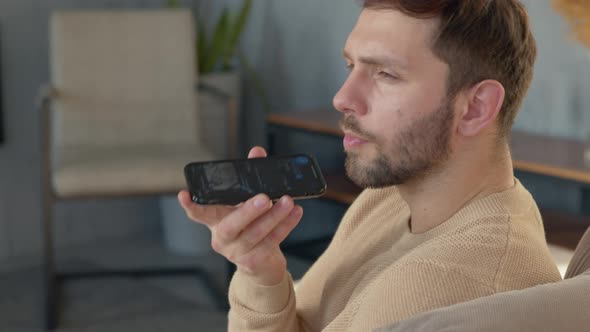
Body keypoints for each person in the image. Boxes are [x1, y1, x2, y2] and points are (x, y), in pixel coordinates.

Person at [178, 1, 562, 331]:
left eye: (385, 74)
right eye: (352, 66)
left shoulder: (448, 285)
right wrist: (261, 272)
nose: (343, 98)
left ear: (476, 108)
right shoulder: (392, 198)